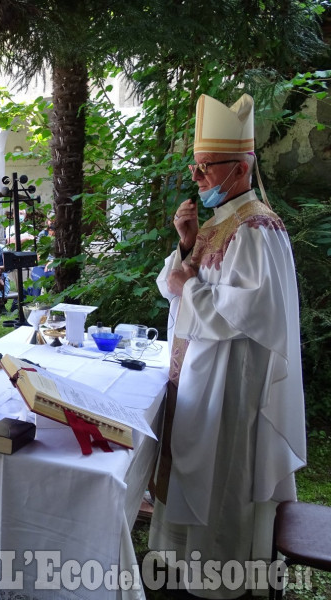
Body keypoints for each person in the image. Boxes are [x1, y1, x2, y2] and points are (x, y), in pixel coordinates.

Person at [150, 93, 305, 599]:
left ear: (241, 168)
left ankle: (223, 579)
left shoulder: (259, 228)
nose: (195, 177)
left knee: (225, 477)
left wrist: (187, 286)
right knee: (195, 469)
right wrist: (186, 243)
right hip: (197, 372)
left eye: (205, 167)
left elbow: (250, 311)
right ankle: (186, 570)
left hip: (233, 380)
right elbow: (170, 283)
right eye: (194, 167)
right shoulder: (218, 220)